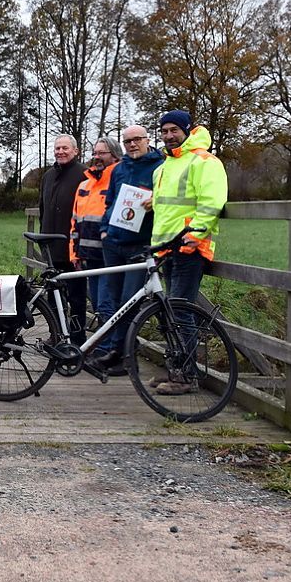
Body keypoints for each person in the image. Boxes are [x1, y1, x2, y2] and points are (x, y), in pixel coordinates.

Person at [147, 109, 228, 395]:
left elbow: (212, 200)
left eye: (174, 130)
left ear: (186, 130)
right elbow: (167, 205)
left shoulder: (204, 161)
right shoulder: (163, 167)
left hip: (189, 247)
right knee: (170, 311)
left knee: (181, 311)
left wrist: (195, 234)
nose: (169, 135)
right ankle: (177, 368)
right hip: (166, 248)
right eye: (165, 131)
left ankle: (186, 375)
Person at [89, 125, 164, 376]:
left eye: (136, 140)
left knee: (129, 301)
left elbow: (168, 198)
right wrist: (103, 229)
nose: (132, 144)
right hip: (113, 242)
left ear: (147, 140)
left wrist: (157, 201)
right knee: (108, 298)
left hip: (139, 244)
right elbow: (108, 201)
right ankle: (112, 351)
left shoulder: (159, 166)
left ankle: (123, 354)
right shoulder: (119, 169)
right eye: (127, 141)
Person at [70, 137, 121, 345]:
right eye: (96, 153)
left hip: (110, 255)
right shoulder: (85, 184)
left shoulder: (119, 181)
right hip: (89, 257)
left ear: (115, 156)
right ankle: (105, 348)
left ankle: (107, 351)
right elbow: (75, 221)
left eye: (103, 153)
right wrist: (74, 253)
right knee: (99, 304)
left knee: (108, 306)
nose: (97, 157)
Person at [38, 134, 88, 343]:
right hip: (51, 246)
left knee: (76, 296)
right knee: (53, 294)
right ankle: (56, 333)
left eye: (65, 148)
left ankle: (77, 338)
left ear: (75, 151)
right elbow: (42, 208)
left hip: (72, 246)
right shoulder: (48, 176)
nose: (60, 152)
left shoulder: (84, 174)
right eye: (57, 148)